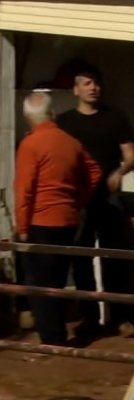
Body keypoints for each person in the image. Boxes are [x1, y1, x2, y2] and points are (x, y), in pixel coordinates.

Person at [15, 92, 101, 346]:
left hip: (40, 221)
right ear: (52, 114)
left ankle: (52, 340)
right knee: (58, 280)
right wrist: (78, 200)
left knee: (40, 285)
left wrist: (22, 228)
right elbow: (94, 171)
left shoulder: (31, 144)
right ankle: (57, 335)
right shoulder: (71, 142)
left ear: (27, 118)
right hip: (68, 220)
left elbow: (24, 189)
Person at [55, 61, 134, 335]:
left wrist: (119, 172)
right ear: (75, 89)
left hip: (111, 199)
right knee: (82, 259)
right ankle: (90, 318)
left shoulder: (115, 117)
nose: (94, 88)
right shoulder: (64, 123)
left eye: (96, 83)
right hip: (79, 201)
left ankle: (121, 317)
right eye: (87, 83)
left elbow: (130, 155)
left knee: (117, 258)